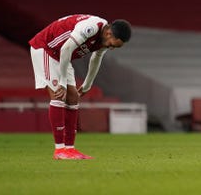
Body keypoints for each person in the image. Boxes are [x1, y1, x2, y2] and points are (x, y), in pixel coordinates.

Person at [29, 14, 131, 160]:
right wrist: (63, 83)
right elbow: (65, 49)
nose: (112, 48)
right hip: (46, 48)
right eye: (113, 45)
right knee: (59, 95)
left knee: (73, 98)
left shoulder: (103, 38)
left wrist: (87, 84)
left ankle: (70, 149)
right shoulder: (91, 28)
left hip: (62, 56)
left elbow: (96, 58)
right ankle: (59, 150)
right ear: (109, 33)